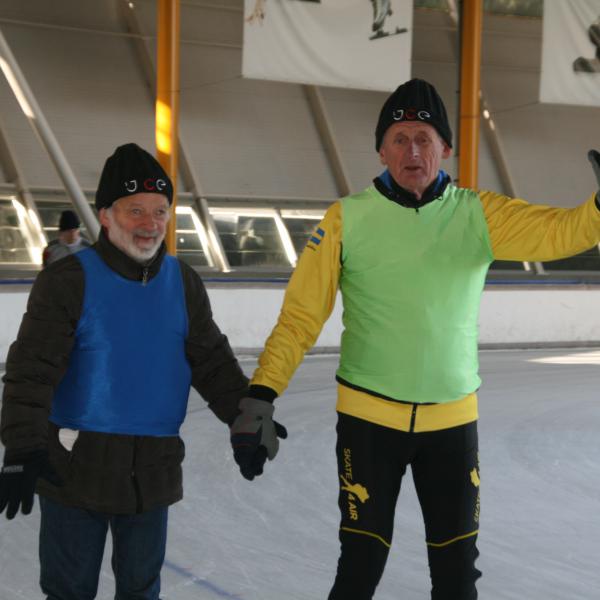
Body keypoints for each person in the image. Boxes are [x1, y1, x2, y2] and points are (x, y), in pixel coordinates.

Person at [229, 78, 600, 599]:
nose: (412, 150)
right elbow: (300, 317)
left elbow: (565, 232)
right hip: (368, 423)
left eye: (423, 137)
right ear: (381, 149)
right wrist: (260, 396)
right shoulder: (346, 220)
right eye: (399, 138)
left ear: (445, 148)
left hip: (452, 425)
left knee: (456, 579)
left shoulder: (477, 214)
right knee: (359, 567)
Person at [0, 143, 251, 600]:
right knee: (69, 590)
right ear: (106, 215)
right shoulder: (68, 280)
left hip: (151, 474)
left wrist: (248, 419)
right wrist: (20, 446)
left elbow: (214, 363)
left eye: (160, 210)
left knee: (140, 590)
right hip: (74, 470)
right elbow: (30, 372)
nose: (150, 224)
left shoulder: (183, 282)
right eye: (135, 210)